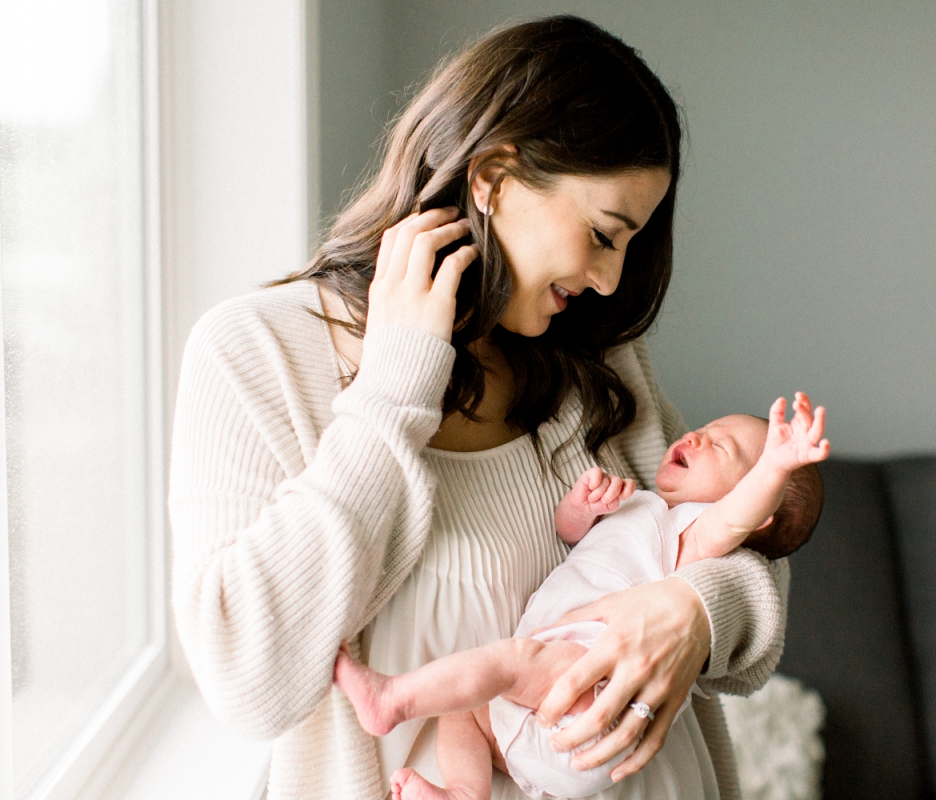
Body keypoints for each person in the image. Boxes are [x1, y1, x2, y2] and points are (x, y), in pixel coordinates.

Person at [169, 14, 819, 799]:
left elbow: (754, 540)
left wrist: (692, 612)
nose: (612, 281)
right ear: (494, 176)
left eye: (630, 245)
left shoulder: (595, 357)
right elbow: (250, 682)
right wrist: (392, 392)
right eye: (604, 233)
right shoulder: (258, 355)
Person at [335, 393, 829, 800]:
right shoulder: (642, 505)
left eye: (720, 447)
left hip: (593, 695)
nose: (695, 435)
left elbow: (738, 516)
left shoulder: (698, 536)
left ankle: (392, 699)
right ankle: (465, 793)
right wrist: (580, 511)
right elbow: (573, 544)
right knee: (463, 707)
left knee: (506, 663)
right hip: (550, 730)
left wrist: (776, 466)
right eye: (705, 425)